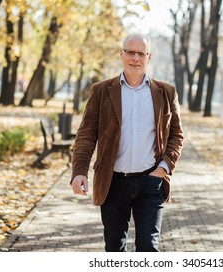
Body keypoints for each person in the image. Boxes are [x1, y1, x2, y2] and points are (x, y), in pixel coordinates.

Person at [70, 33, 184, 252]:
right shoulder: (101, 91)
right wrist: (79, 172)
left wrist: (164, 167)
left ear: (148, 57)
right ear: (121, 55)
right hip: (113, 182)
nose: (135, 58)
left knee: (148, 248)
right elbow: (86, 134)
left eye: (141, 53)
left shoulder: (166, 92)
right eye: (130, 52)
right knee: (114, 248)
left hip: (151, 182)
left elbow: (177, 135)